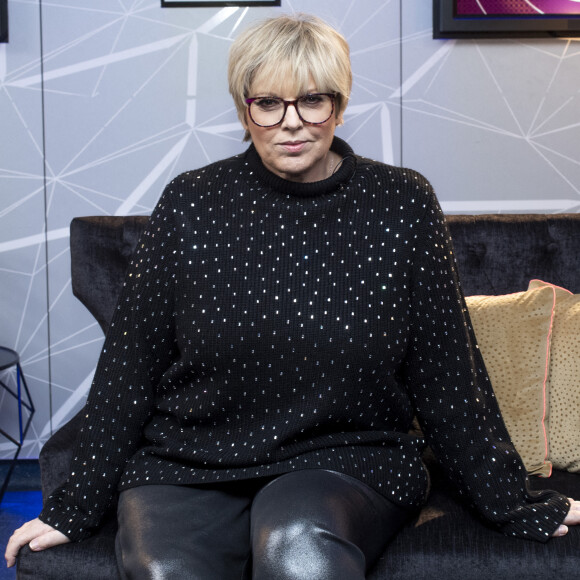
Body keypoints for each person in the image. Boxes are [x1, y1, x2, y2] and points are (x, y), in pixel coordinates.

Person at [5, 12, 580, 580]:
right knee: (168, 569)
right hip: (189, 461)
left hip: (347, 458)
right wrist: (73, 507)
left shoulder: (401, 204)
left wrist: (513, 502)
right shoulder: (191, 204)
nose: (292, 123)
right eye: (268, 103)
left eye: (313, 100)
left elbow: (447, 371)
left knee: (298, 547)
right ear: (243, 108)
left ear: (340, 103)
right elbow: (129, 366)